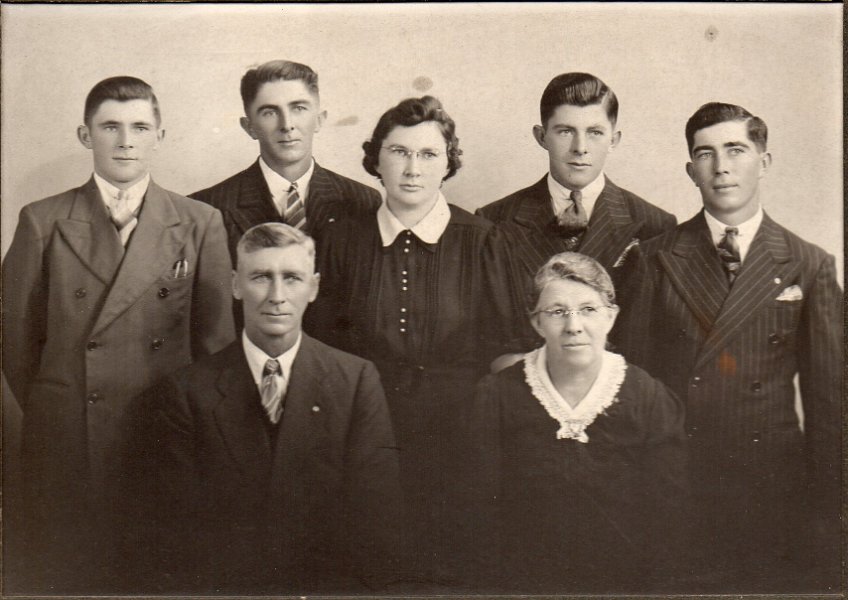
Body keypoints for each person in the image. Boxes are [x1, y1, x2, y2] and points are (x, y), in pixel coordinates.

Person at [1, 76, 235, 593]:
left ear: (160, 136)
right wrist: (60, 400)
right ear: (85, 135)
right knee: (70, 574)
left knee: (153, 572)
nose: (125, 141)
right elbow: (15, 341)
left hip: (163, 430)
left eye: (139, 128)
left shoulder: (200, 222)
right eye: (110, 127)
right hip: (69, 435)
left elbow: (215, 345)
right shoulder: (42, 220)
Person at [618, 102, 841, 592]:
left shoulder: (808, 263)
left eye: (736, 150)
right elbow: (630, 384)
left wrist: (829, 509)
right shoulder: (654, 259)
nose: (721, 167)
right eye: (706, 154)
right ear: (690, 170)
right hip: (679, 478)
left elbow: (830, 401)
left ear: (764, 161)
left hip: (773, 484)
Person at [145, 223, 402, 594]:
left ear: (313, 288)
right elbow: (177, 530)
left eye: (292, 278)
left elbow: (376, 517)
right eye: (261, 277)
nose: (277, 296)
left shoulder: (355, 379)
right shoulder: (187, 391)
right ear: (236, 285)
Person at [306, 95, 496, 589]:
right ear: (376, 159)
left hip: (460, 440)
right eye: (399, 152)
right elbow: (320, 344)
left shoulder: (483, 240)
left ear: (448, 162)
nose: (413, 169)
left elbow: (507, 348)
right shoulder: (342, 239)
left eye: (429, 154)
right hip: (365, 434)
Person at [461, 252, 687, 593]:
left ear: (611, 316)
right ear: (536, 323)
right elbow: (477, 512)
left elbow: (668, 517)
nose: (573, 326)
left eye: (588, 309)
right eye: (557, 312)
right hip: (520, 583)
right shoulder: (495, 396)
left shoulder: (649, 398)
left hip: (626, 583)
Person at [477, 72, 675, 356]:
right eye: (565, 131)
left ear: (614, 139)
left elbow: (652, 342)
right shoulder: (494, 220)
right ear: (541, 136)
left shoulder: (654, 225)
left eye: (595, 133)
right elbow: (490, 335)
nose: (580, 148)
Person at [191, 59, 381, 266]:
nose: (287, 125)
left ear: (319, 119)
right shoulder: (206, 209)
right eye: (270, 112)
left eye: (298, 108)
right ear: (249, 127)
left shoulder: (362, 201)